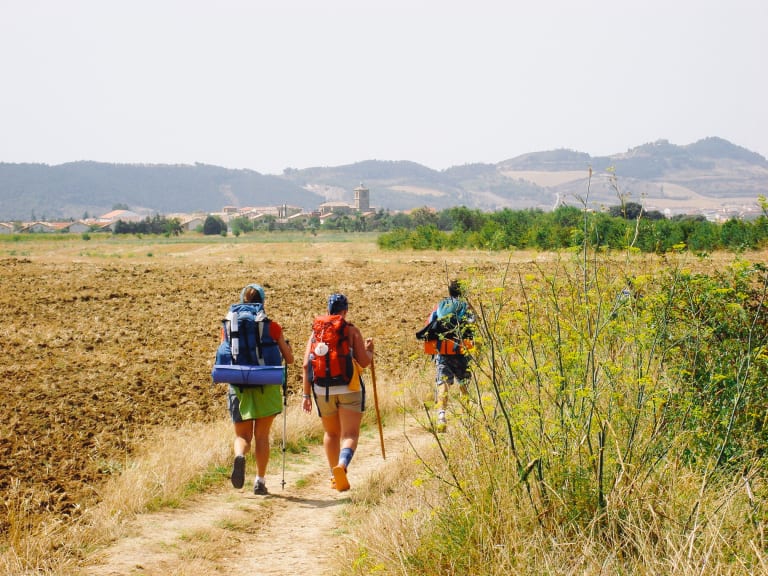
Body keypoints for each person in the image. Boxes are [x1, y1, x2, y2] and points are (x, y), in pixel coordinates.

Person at [225, 283, 294, 495]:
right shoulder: (272, 326)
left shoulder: (230, 325)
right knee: (262, 436)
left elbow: (226, 354)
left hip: (239, 386)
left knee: (243, 436)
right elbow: (289, 359)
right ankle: (260, 481)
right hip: (267, 384)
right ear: (262, 302)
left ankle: (240, 456)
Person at [301, 293, 374, 492]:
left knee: (331, 433)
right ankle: (342, 465)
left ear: (328, 310)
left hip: (322, 389)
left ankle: (334, 476)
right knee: (350, 433)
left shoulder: (317, 333)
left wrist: (306, 395)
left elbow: (307, 364)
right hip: (349, 388)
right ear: (345, 311)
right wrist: (370, 351)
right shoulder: (350, 330)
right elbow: (364, 362)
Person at [425, 279, 474, 432]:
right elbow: (473, 323)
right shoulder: (464, 306)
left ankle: (441, 416)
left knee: (443, 383)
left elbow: (429, 324)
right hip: (461, 350)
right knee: (463, 384)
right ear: (462, 292)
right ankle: (466, 420)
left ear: (449, 291)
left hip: (442, 350)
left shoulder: (440, 305)